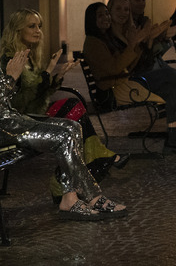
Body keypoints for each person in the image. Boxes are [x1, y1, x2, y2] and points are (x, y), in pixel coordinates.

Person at [0, 9, 128, 192]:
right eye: (32, 26)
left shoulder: (29, 56)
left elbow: (39, 94)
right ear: (18, 30)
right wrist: (45, 74)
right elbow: (17, 101)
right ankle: (91, 162)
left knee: (73, 109)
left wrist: (56, 76)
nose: (38, 31)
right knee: (72, 113)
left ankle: (83, 166)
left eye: (39, 26)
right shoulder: (11, 60)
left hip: (33, 113)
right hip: (20, 121)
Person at [0, 50, 127, 220]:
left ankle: (75, 195)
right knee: (64, 135)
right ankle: (86, 197)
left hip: (12, 120)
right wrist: (10, 78)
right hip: (6, 128)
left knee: (73, 127)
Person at [82, 2, 176, 155]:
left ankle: (173, 139)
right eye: (100, 15)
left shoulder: (105, 39)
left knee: (170, 90)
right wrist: (133, 45)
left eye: (106, 13)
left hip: (125, 83)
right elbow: (114, 69)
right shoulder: (93, 43)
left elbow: (128, 65)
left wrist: (138, 44)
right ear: (91, 19)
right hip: (115, 90)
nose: (106, 18)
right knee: (167, 74)